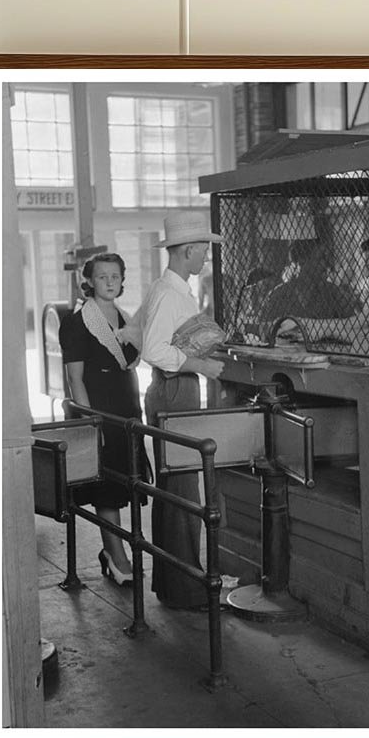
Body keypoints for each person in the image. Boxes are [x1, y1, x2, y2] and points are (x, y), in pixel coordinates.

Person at [137, 210, 224, 610]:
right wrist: (200, 365)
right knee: (183, 492)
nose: (205, 258)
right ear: (187, 250)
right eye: (203, 251)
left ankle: (173, 584)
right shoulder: (168, 293)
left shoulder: (171, 289)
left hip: (175, 389)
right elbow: (153, 350)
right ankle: (186, 590)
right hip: (174, 390)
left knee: (175, 489)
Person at [59, 252, 146, 586]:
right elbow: (75, 379)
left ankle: (113, 551)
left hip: (127, 408)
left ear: (122, 281)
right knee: (106, 489)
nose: (109, 282)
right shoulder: (77, 322)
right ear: (90, 281)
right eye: (102, 277)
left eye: (115, 276)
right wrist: (91, 424)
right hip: (98, 408)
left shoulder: (126, 319)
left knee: (124, 484)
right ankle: (117, 556)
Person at [257, 237, 360, 327]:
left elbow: (354, 326)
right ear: (302, 260)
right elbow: (262, 328)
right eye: (321, 258)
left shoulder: (333, 293)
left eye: (327, 258)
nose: (327, 264)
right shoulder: (278, 296)